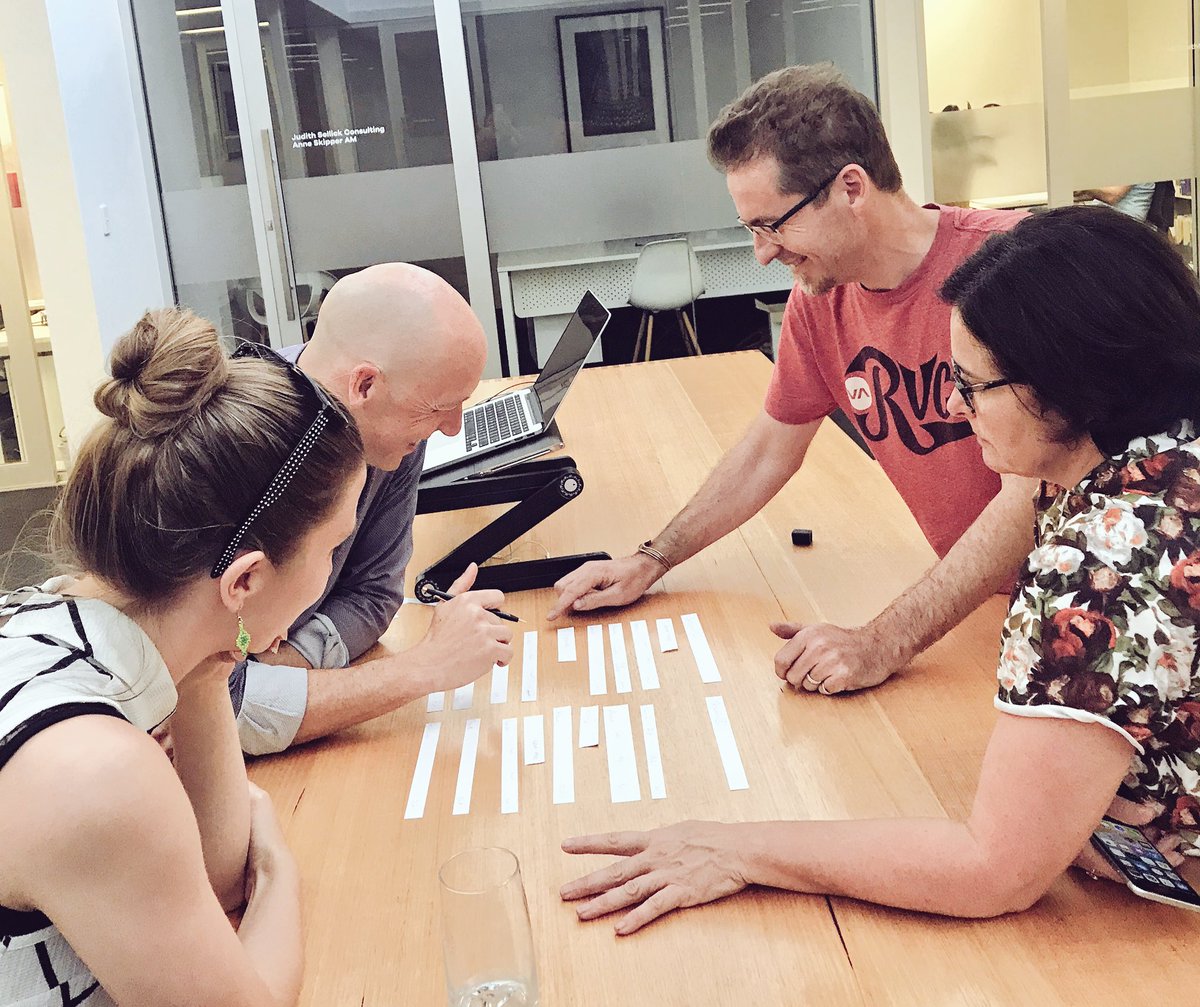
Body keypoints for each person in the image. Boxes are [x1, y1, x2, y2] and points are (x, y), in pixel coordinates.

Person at [558, 205, 1200, 930]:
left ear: (1068, 387)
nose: (958, 410)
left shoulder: (1097, 562)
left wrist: (737, 847)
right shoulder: (1163, 453)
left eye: (973, 384)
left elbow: (992, 869)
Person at [549, 63, 1034, 697]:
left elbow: (1034, 493)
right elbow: (769, 449)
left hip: (1091, 603)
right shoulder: (821, 297)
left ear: (852, 189)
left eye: (773, 224)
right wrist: (652, 559)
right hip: (979, 610)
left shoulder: (1015, 268)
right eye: (752, 229)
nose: (764, 252)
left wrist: (883, 640)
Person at [0, 308, 366, 1004]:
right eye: (330, 548)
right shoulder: (93, 769)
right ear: (245, 579)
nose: (328, 573)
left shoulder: (45, 616)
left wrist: (207, 666)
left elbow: (215, 876)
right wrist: (282, 867)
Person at [229, 263, 515, 755]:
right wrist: (424, 666)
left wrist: (289, 664)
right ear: (365, 386)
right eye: (440, 405)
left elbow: (375, 595)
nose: (452, 428)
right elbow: (219, 704)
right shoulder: (232, 451)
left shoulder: (391, 429)